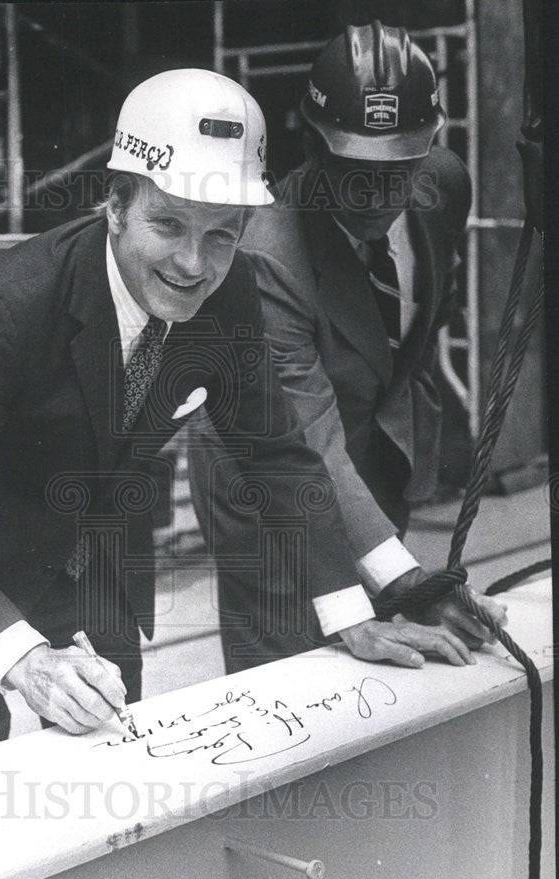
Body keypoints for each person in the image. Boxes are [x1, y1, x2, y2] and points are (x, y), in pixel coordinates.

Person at [0, 67, 484, 767]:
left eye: (222, 235)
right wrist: (26, 660)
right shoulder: (4, 305)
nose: (193, 265)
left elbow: (276, 457)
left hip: (89, 545)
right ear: (114, 205)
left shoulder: (228, 296)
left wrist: (351, 613)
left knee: (117, 759)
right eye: (167, 225)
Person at [188, 24, 507, 673]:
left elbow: (419, 321)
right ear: (311, 146)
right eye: (352, 171)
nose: (374, 195)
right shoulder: (266, 256)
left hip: (367, 460)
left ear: (427, 152)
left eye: (396, 171)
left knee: (391, 669)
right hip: (267, 485)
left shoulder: (443, 185)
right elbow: (306, 440)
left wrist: (403, 578)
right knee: (293, 690)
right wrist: (409, 580)